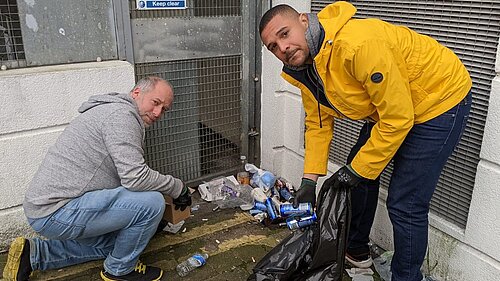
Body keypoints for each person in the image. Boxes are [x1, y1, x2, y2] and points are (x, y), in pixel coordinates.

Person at [259, 2, 471, 281]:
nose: (282, 48)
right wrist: (309, 181)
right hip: (393, 107)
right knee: (357, 174)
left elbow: (398, 118)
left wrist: (359, 169)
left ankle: (406, 278)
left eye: (284, 34)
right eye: (273, 46)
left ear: (304, 20)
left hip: (439, 101)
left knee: (404, 202)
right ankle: (357, 251)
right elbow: (318, 124)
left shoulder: (357, 45)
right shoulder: (308, 67)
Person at [3, 76, 192, 281]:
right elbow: (135, 178)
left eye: (164, 109)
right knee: (152, 203)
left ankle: (33, 254)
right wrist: (177, 188)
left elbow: (127, 176)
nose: (157, 113)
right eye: (156, 103)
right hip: (56, 210)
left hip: (48, 207)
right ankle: (119, 270)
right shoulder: (122, 116)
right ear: (137, 93)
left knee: (122, 243)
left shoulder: (112, 111)